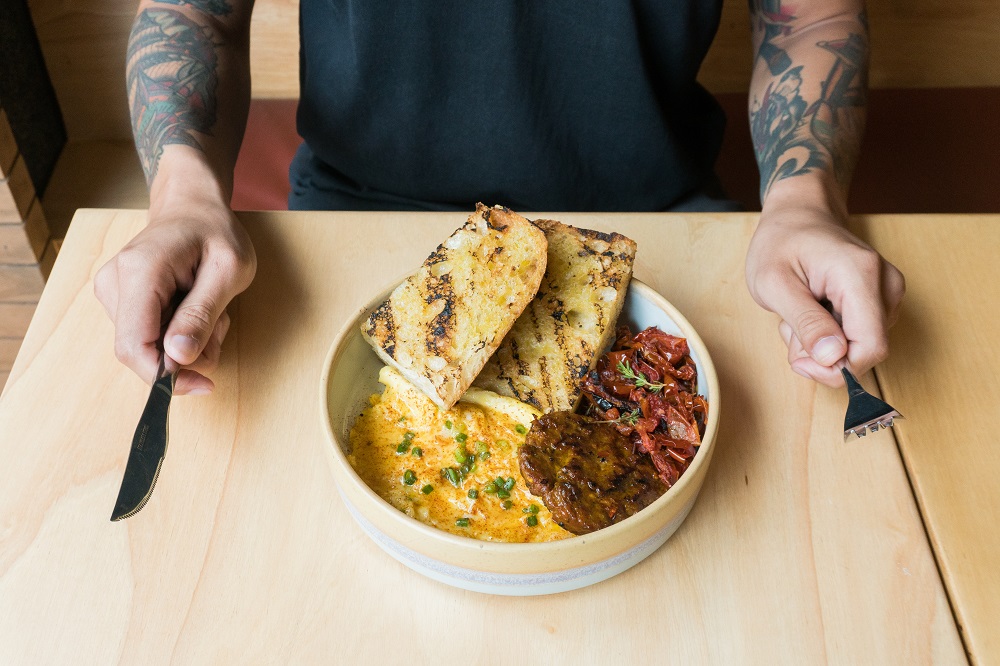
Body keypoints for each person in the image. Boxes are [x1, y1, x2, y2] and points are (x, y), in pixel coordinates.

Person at [95, 0, 904, 396]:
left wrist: (804, 201)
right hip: (355, 215)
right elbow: (191, 10)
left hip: (660, 221)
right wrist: (183, 199)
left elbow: (810, 16)